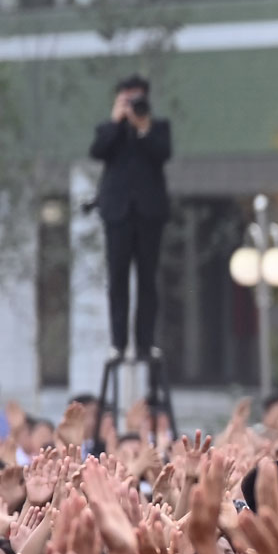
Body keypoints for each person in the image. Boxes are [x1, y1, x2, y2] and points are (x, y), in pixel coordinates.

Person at [90, 74, 172, 362]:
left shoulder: (157, 128)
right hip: (118, 213)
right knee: (118, 279)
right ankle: (118, 342)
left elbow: (163, 153)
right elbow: (98, 151)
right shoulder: (109, 130)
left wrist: (143, 127)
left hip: (149, 213)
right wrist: (116, 121)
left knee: (147, 280)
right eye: (128, 99)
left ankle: (145, 343)